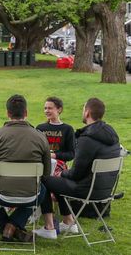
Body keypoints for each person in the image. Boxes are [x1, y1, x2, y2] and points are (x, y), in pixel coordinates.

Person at [35, 98, 121, 240]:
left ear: (87, 112)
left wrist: (62, 172)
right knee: (60, 182)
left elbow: (75, 174)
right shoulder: (112, 137)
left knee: (44, 179)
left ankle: (49, 227)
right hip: (105, 190)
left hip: (86, 189)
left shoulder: (87, 138)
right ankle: (69, 222)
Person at [0, 94, 51, 242]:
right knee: (42, 191)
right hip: (31, 193)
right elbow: (46, 173)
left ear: (8, 113)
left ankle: (7, 225)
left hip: (1, 192)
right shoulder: (40, 137)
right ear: (26, 113)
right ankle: (12, 227)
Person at [36, 97, 75, 176]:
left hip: (59, 166)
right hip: (42, 164)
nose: (46, 111)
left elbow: (71, 154)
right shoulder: (40, 128)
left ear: (59, 109)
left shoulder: (68, 129)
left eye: (50, 108)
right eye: (45, 108)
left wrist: (54, 155)